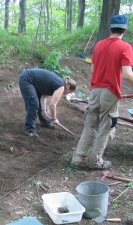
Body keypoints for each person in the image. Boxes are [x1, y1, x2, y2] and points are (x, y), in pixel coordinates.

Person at [71, 15, 133, 170]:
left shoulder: (99, 45)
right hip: (109, 92)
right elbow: (127, 74)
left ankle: (77, 160)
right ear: (124, 30)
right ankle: (95, 161)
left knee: (90, 126)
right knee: (106, 127)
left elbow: (92, 69)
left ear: (110, 28)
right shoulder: (125, 47)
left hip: (94, 91)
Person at [19, 68, 76, 138]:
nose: (67, 93)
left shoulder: (57, 84)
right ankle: (29, 130)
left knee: (38, 102)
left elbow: (43, 97)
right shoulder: (61, 86)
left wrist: (43, 110)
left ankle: (45, 121)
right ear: (68, 86)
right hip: (27, 79)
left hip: (33, 81)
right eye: (69, 92)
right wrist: (54, 119)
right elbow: (53, 105)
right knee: (33, 104)